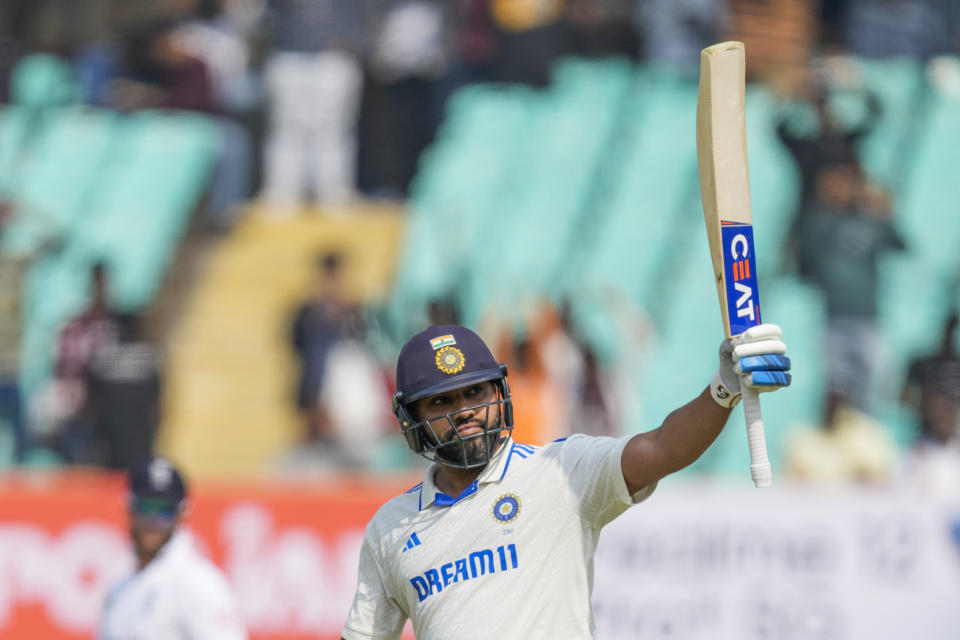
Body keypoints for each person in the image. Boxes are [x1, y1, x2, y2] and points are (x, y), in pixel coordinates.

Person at [341, 322, 791, 638]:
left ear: (498, 392)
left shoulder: (559, 470)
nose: (466, 412)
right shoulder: (391, 527)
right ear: (411, 417)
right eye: (441, 401)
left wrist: (724, 387)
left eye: (474, 392)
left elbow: (664, 448)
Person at [99, 457, 247, 640]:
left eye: (164, 510)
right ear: (130, 506)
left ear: (181, 514)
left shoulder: (198, 583)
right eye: (146, 507)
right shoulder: (119, 587)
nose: (153, 520)